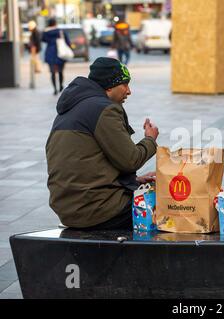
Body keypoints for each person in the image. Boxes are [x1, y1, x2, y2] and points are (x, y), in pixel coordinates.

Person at [46, 57, 159, 230]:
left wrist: (134, 180)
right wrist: (150, 139)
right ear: (109, 85)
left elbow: (87, 164)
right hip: (97, 210)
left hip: (69, 208)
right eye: (125, 84)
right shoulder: (104, 110)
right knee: (167, 202)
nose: (129, 91)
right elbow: (131, 160)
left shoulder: (72, 107)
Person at [42, 18, 71, 95]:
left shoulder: (46, 32)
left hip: (50, 54)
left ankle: (55, 89)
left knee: (53, 72)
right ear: (55, 23)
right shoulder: (61, 31)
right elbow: (68, 42)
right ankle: (61, 85)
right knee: (60, 71)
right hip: (60, 54)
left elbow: (43, 40)